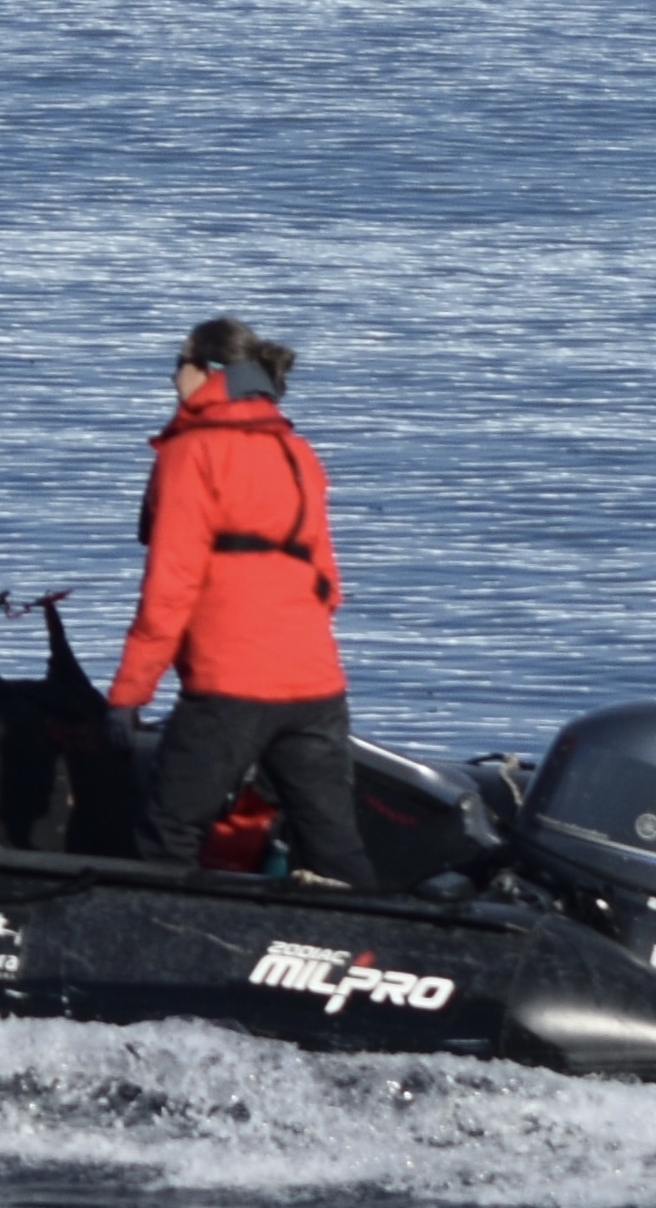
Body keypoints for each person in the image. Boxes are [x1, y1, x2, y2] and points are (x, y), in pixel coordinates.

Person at [103, 316, 378, 886]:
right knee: (332, 845)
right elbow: (328, 582)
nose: (171, 378)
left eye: (176, 364)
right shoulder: (298, 452)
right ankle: (384, 956)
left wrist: (129, 694)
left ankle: (153, 951)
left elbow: (169, 587)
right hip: (315, 683)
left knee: (168, 834)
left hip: (230, 685)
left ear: (208, 374)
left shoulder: (192, 454)